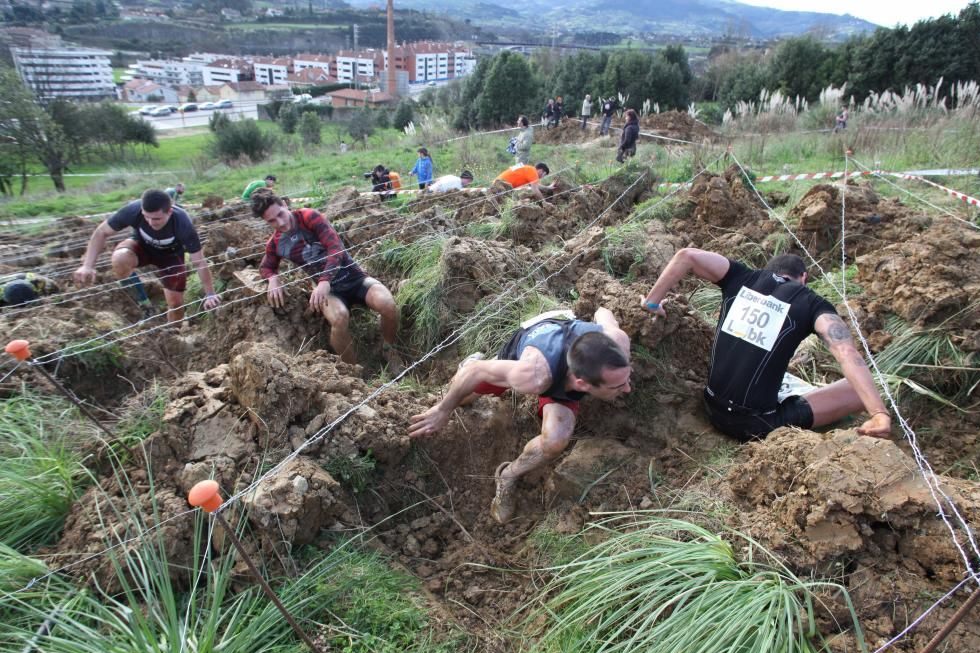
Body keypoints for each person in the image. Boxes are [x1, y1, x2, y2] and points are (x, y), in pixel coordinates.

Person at [641, 249, 892, 442]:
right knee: (855, 390)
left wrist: (652, 303)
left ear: (768, 270)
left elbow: (686, 255)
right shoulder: (812, 303)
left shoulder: (742, 277)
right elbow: (846, 351)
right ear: (803, 278)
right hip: (754, 424)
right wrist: (879, 412)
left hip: (710, 405)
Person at [409, 309, 632, 523]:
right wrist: (442, 410)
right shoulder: (532, 375)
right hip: (533, 350)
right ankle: (470, 361)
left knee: (555, 441)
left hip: (567, 355)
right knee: (464, 398)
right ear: (581, 384)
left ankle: (507, 476)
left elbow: (604, 312)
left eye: (626, 379)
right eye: (618, 386)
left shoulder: (618, 342)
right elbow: (476, 372)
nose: (628, 389)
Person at [250, 188, 399, 366]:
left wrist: (324, 280)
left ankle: (389, 350)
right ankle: (353, 370)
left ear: (284, 204)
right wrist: (273, 278)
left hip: (355, 279)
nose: (280, 222)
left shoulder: (308, 217)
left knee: (388, 305)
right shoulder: (277, 243)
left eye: (280, 214)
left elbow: (335, 248)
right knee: (338, 318)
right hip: (331, 293)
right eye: (272, 221)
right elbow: (266, 267)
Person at [73, 189, 221, 323]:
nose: (150, 222)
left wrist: (210, 294)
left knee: (176, 304)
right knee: (120, 258)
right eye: (146, 217)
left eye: (156, 219)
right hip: (141, 246)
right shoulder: (133, 210)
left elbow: (199, 262)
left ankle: (173, 333)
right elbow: (101, 232)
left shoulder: (183, 223)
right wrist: (87, 266)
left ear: (169, 212)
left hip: (170, 256)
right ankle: (144, 304)